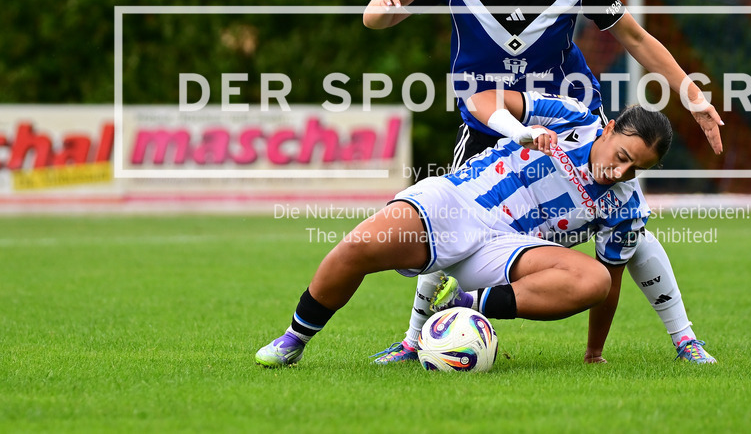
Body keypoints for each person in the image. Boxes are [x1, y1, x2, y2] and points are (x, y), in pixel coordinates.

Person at [362, 0, 723, 364]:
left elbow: (636, 39)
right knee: (450, 219)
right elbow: (377, 18)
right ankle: (414, 340)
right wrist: (384, 8)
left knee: (629, 222)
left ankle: (685, 340)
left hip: (569, 118)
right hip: (490, 116)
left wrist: (690, 92)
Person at [256, 89, 694, 367]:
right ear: (610, 128)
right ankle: (295, 339)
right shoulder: (575, 117)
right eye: (621, 156)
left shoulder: (625, 206)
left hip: (507, 249)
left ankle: (464, 303)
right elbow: (482, 100)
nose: (621, 172)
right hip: (458, 201)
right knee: (360, 247)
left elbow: (611, 283)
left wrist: (594, 352)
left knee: (593, 278)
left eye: (636, 169)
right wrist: (518, 131)